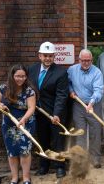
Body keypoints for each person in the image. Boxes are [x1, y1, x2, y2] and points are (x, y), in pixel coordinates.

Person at [27, 41, 69, 178]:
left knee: (58, 140)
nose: (48, 58)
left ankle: (60, 166)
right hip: (38, 113)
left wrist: (56, 114)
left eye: (50, 56)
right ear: (39, 55)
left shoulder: (61, 72)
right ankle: (44, 165)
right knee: (42, 139)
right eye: (45, 55)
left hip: (54, 114)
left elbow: (61, 95)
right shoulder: (31, 70)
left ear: (54, 56)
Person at [0, 64, 36, 184]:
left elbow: (31, 108)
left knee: (25, 151)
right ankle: (14, 177)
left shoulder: (29, 91)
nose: (20, 79)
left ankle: (26, 178)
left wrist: (23, 119)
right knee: (11, 151)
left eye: (23, 76)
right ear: (12, 76)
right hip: (8, 124)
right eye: (18, 76)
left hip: (26, 123)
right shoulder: (3, 88)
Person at [67, 49, 104, 168]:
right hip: (78, 105)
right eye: (83, 60)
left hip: (94, 105)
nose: (86, 63)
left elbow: (98, 90)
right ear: (79, 60)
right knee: (80, 133)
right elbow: (67, 82)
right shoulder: (72, 70)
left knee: (95, 133)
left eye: (88, 60)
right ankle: (81, 159)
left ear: (92, 60)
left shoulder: (97, 72)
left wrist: (92, 102)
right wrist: (71, 91)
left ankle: (95, 159)